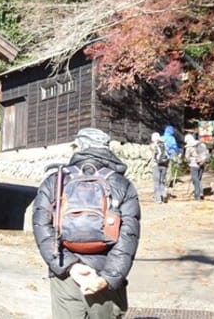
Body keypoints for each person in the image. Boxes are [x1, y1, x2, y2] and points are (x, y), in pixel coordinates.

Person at [32, 127, 141, 319]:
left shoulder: (56, 180)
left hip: (65, 275)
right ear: (107, 148)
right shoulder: (122, 184)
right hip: (104, 271)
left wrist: (70, 266)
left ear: (79, 147)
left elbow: (42, 228)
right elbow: (128, 237)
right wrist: (108, 278)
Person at [184, 133, 209, 200]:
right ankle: (201, 193)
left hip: (194, 165)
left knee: (195, 180)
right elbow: (206, 154)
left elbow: (187, 157)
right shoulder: (201, 144)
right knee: (199, 179)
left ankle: (197, 195)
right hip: (202, 163)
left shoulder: (189, 146)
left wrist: (188, 162)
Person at [150, 132, 168, 204]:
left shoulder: (153, 145)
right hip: (164, 164)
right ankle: (163, 194)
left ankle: (158, 199)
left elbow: (151, 155)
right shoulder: (164, 144)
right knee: (162, 181)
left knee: (156, 182)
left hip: (156, 165)